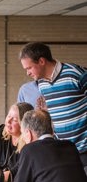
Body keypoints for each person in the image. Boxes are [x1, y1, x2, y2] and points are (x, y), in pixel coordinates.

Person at [19, 42, 87, 173]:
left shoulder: (75, 74)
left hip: (85, 150)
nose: (27, 73)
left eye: (29, 68)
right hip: (63, 152)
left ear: (42, 61)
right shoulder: (41, 83)